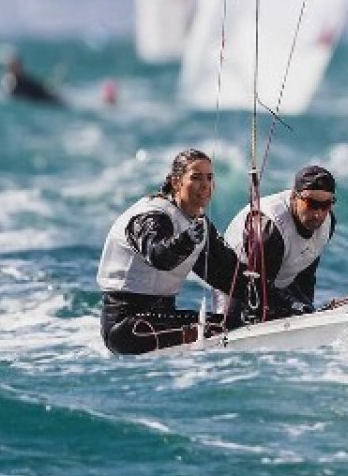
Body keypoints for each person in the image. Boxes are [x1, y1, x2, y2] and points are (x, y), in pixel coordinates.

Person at [97, 148, 241, 355]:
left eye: (210, 178)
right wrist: (186, 240)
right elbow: (159, 256)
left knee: (239, 321)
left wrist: (278, 301)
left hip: (161, 321)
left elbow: (227, 274)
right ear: (176, 182)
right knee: (228, 328)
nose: (205, 185)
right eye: (196, 178)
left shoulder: (196, 223)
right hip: (128, 329)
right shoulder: (149, 217)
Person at [223, 165, 337, 324]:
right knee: (237, 324)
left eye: (325, 205)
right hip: (239, 283)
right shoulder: (270, 229)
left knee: (303, 311)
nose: (318, 213)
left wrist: (305, 310)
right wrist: (292, 305)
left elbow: (306, 275)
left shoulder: (327, 223)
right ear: (294, 197)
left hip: (280, 278)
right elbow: (257, 290)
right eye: (311, 204)